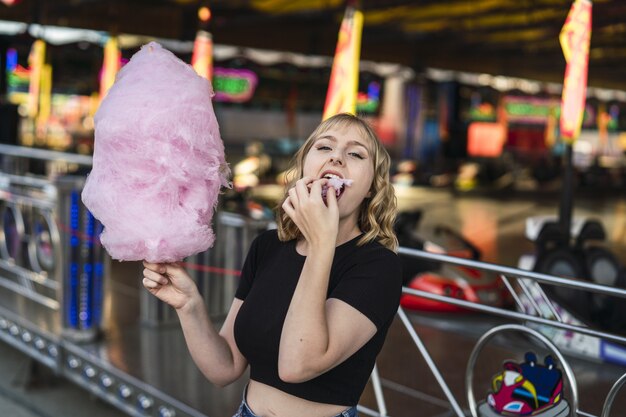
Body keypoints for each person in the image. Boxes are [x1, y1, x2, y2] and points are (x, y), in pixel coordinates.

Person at [142, 113, 402, 417]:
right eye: (324, 148)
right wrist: (189, 305)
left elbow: (298, 365)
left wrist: (321, 244)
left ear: (371, 186)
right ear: (305, 167)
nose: (337, 158)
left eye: (356, 153)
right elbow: (224, 369)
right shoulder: (267, 247)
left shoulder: (379, 265)